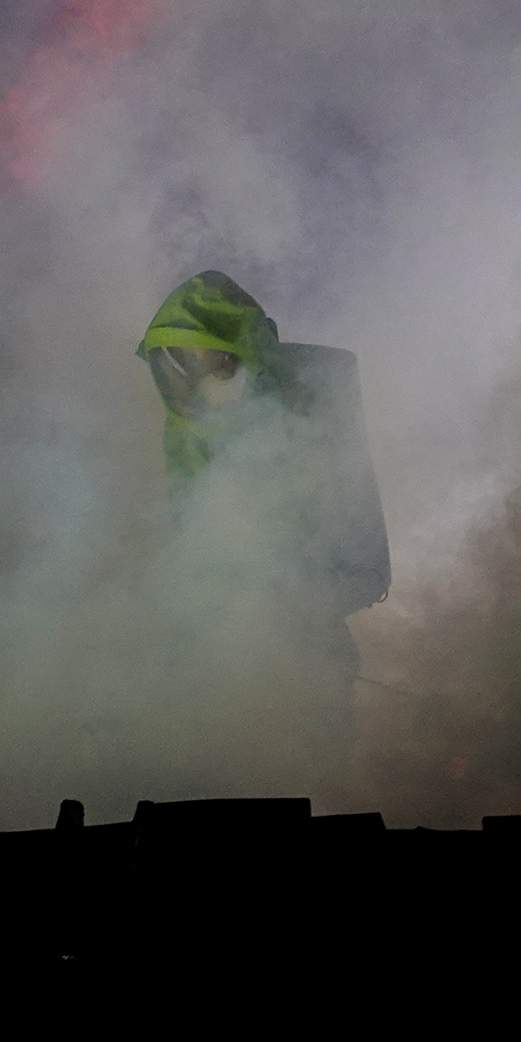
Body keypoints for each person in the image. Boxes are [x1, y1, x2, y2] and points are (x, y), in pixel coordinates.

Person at [137, 272, 389, 714]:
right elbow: (188, 533)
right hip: (229, 641)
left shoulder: (306, 401)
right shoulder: (186, 428)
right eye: (175, 366)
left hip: (305, 633)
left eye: (205, 365)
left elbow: (356, 556)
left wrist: (288, 607)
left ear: (244, 359)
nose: (191, 386)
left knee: (310, 720)